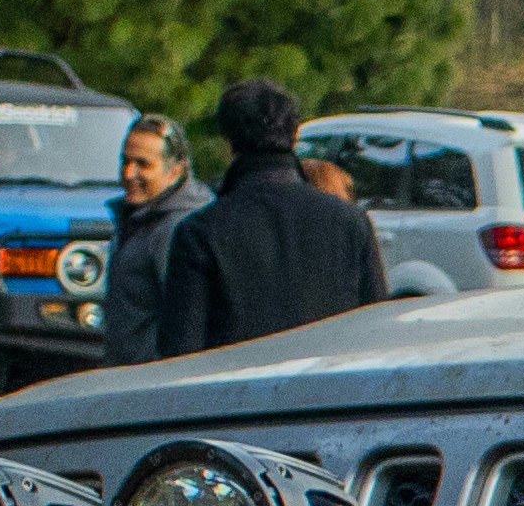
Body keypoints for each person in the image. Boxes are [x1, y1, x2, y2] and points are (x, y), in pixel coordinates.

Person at [141, 77, 386, 359]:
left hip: (236, 397)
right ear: (293, 137)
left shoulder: (199, 233)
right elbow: (375, 332)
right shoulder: (350, 222)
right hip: (330, 395)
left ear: (228, 143)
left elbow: (180, 353)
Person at [100, 113, 209, 367]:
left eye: (142, 164)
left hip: (152, 380)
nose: (128, 174)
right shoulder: (137, 218)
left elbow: (185, 320)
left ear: (175, 171)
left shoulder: (178, 229)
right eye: (124, 161)